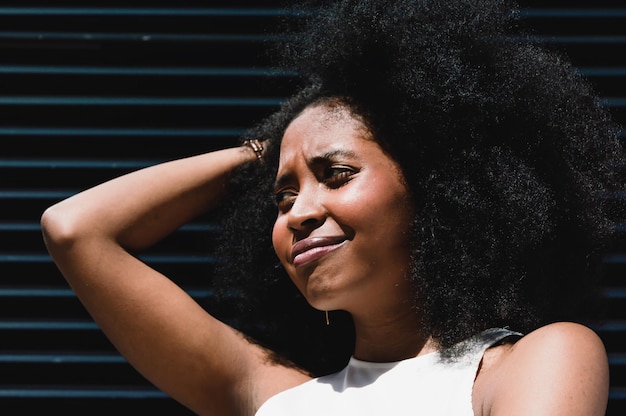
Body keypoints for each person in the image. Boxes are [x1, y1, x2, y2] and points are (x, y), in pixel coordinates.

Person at [41, 0, 623, 414]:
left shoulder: (534, 360)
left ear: (441, 191)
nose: (297, 213)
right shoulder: (270, 395)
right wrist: (267, 149)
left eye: (336, 175)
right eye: (282, 196)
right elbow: (75, 229)